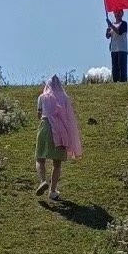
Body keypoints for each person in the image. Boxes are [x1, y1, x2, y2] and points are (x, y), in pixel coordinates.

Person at [35, 75, 82, 203]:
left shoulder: (42, 97)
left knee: (40, 158)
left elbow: (39, 115)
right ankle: (53, 191)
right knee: (57, 163)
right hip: (61, 130)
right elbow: (68, 117)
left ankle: (42, 181)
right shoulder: (65, 98)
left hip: (45, 127)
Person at [106, 6, 128, 82]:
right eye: (116, 12)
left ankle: (123, 81)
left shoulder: (124, 24)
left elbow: (119, 32)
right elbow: (108, 36)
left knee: (122, 67)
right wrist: (108, 29)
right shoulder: (112, 24)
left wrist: (111, 25)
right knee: (115, 67)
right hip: (114, 49)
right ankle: (115, 81)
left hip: (122, 49)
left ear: (122, 14)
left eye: (119, 13)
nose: (117, 14)